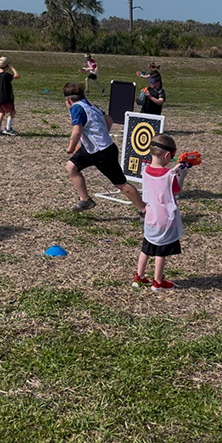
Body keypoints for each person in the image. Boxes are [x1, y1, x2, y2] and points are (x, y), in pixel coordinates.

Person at [63, 82, 144, 212]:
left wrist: (71, 148)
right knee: (71, 167)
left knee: (121, 184)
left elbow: (77, 131)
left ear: (67, 99)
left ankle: (144, 211)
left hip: (102, 152)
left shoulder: (76, 108)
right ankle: (85, 200)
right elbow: (109, 120)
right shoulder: (91, 105)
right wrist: (101, 135)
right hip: (94, 149)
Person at [133, 134, 191, 290]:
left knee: (146, 248)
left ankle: (139, 277)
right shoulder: (168, 175)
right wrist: (181, 175)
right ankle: (158, 282)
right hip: (165, 219)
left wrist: (174, 170)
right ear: (167, 155)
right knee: (161, 251)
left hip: (150, 217)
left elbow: (157, 179)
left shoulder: (144, 170)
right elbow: (176, 190)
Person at [0, 57, 19, 136]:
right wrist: (12, 68)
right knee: (12, 112)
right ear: (7, 66)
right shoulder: (6, 75)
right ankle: (8, 128)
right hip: (6, 98)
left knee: (1, 113)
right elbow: (17, 76)